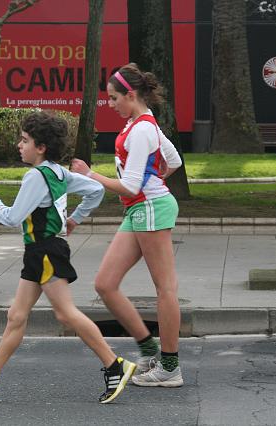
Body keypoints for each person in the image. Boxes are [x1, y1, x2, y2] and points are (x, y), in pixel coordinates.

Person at [0, 111, 136, 403]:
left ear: (41, 147)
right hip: (42, 251)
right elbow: (95, 190)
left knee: (65, 313)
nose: (19, 146)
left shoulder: (35, 176)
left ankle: (115, 365)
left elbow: (13, 218)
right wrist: (74, 220)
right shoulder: (59, 173)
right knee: (17, 316)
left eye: (25, 140)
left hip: (45, 250)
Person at [70, 63, 184, 387]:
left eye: (113, 98)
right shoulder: (142, 123)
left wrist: (89, 174)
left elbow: (131, 187)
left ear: (130, 95)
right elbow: (173, 161)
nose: (111, 103)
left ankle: (170, 367)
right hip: (142, 209)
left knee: (165, 289)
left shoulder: (144, 129)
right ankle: (150, 349)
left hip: (148, 208)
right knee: (105, 284)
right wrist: (154, 183)